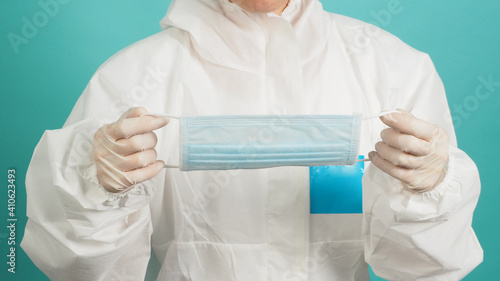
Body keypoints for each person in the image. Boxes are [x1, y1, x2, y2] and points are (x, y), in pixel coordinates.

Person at [22, 0, 483, 280]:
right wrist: (96, 189)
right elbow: (81, 271)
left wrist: (428, 193)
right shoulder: (134, 79)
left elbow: (427, 273)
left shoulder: (392, 69)